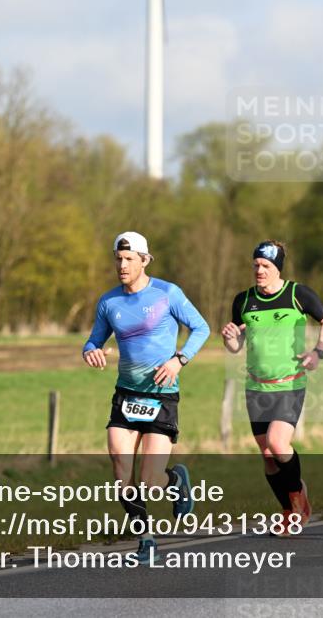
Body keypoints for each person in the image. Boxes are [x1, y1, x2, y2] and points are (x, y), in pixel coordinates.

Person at [82, 231, 211, 563]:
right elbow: (93, 340)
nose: (122, 265)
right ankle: (146, 538)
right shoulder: (109, 301)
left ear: (144, 260)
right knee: (120, 471)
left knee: (149, 482)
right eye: (118, 259)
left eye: (129, 259)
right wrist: (91, 351)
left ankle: (174, 479)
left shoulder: (167, 294)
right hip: (126, 395)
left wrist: (178, 360)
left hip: (161, 397)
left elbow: (201, 328)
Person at [221, 241, 323, 535]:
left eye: (266, 267)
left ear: (278, 269)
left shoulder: (298, 295)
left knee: (277, 442)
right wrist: (229, 337)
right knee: (267, 455)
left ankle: (297, 495)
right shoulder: (244, 300)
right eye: (256, 265)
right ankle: (288, 509)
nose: (259, 271)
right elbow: (236, 347)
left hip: (289, 384)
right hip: (256, 387)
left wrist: (318, 351)